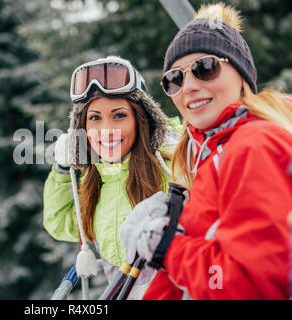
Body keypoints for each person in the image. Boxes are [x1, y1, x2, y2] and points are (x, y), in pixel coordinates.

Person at [119, 3, 292, 299]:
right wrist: (180, 223)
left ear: (240, 73)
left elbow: (250, 287)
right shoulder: (212, 155)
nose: (188, 87)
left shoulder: (253, 144)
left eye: (205, 68)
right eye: (175, 79)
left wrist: (167, 245)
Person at [43, 56, 181, 299]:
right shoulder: (94, 184)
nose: (106, 130)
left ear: (142, 120)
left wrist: (182, 148)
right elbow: (60, 222)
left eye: (119, 115)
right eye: (95, 118)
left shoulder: (174, 170)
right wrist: (63, 170)